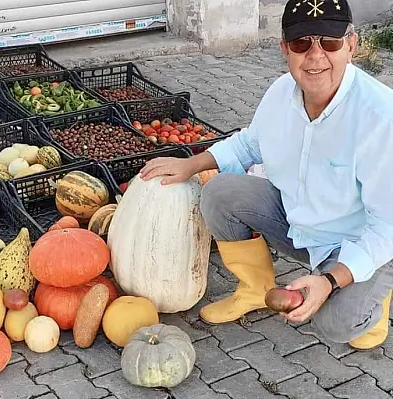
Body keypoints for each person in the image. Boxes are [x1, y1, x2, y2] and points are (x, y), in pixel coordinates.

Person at [140, 0, 393, 350]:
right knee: (220, 193)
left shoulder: (381, 118)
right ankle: (255, 292)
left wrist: (330, 282)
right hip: (301, 224)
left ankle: (374, 304)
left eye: (330, 42)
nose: (315, 56)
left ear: (351, 45)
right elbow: (249, 145)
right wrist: (191, 163)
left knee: (337, 325)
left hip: (360, 244)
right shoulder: (280, 94)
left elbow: (386, 229)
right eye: (302, 43)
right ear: (284, 49)